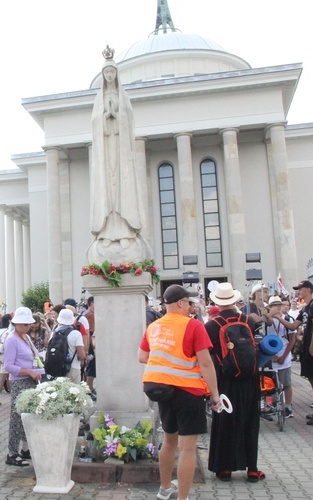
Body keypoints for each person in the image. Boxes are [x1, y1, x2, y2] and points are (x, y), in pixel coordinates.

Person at [139, 284, 221, 500]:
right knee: (187, 448)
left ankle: (165, 488)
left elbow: (142, 356)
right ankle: (183, 498)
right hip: (188, 390)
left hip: (161, 389)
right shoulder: (193, 326)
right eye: (188, 303)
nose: (190, 307)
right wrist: (215, 394)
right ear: (180, 303)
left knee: (169, 440)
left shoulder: (154, 326)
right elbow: (205, 363)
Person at [87, 46, 150, 263]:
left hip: (120, 151)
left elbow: (129, 120)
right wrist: (105, 117)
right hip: (106, 151)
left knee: (122, 190)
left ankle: (124, 233)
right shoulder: (98, 99)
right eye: (107, 73)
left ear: (116, 74)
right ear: (103, 76)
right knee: (107, 193)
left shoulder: (124, 97)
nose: (110, 75)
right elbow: (95, 124)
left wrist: (118, 115)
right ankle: (107, 234)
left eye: (112, 72)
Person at [205, 283, 264, 483]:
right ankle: (252, 469)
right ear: (234, 300)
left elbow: (209, 357)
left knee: (226, 422)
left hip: (226, 380)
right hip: (250, 379)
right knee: (250, 420)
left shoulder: (212, 325)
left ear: (217, 302)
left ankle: (224, 468)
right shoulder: (246, 320)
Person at [275, 280, 313, 424]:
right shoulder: (304, 308)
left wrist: (312, 346)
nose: (298, 291)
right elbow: (293, 325)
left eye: (301, 289)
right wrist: (278, 317)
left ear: (309, 289)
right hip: (306, 348)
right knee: (311, 378)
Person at [3, 307, 44, 466]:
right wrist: (29, 371)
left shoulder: (25, 337)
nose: (29, 327)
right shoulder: (12, 339)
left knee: (28, 416)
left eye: (29, 324)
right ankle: (12, 452)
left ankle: (25, 449)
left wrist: (38, 370)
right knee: (17, 417)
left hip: (30, 380)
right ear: (17, 324)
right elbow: (8, 366)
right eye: (25, 324)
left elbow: (34, 357)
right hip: (20, 381)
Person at [265, 296, 296, 419]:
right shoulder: (267, 321)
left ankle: (288, 406)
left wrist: (284, 355)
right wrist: (271, 356)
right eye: (273, 305)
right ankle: (269, 405)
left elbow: (292, 340)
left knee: (286, 382)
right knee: (269, 383)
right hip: (270, 354)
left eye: (278, 305)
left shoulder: (287, 318)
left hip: (284, 352)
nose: (276, 308)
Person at [0, 313, 12, 406]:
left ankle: (11, 397)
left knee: (7, 377)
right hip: (6, 355)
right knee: (3, 378)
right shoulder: (9, 331)